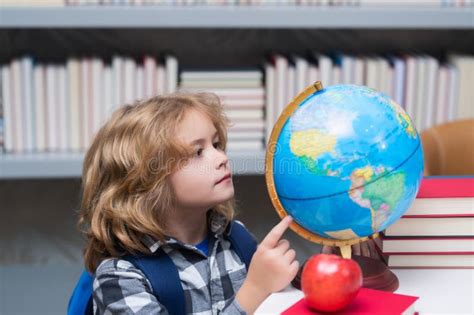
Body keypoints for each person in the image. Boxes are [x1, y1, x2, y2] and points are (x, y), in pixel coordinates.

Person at [77, 92, 299, 314]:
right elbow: (259, 290)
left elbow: (277, 297)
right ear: (146, 180)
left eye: (217, 144)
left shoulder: (235, 239)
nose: (222, 158)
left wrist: (317, 272)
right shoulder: (120, 277)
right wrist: (255, 289)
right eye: (198, 152)